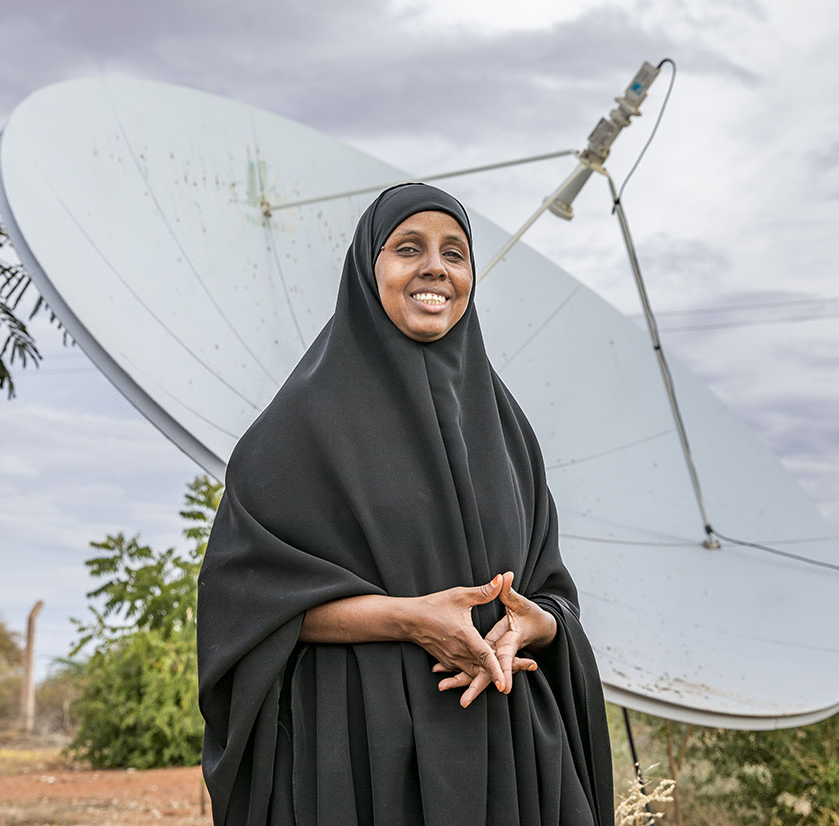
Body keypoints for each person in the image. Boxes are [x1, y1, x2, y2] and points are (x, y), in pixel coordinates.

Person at [198, 183, 614, 826]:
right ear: (369, 271)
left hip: (509, 751)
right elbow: (246, 604)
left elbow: (554, 591)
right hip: (364, 753)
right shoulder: (300, 427)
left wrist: (534, 625)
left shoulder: (506, 429)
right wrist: (407, 619)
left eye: (455, 252)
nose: (435, 268)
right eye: (408, 248)